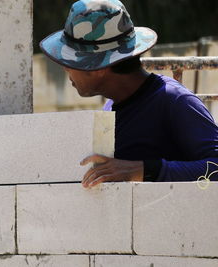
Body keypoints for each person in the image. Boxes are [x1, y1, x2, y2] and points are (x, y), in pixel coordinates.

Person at [40, 0, 218, 188]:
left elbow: (215, 168)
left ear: (97, 66)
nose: (64, 67)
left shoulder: (174, 100)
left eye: (70, 60)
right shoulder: (109, 109)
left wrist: (144, 170)